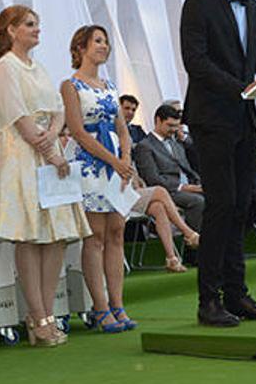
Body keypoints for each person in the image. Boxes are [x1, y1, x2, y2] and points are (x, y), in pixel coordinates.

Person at [62, 27, 201, 330]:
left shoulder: (110, 86)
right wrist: (113, 160)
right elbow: (77, 130)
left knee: (116, 233)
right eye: (97, 41)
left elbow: (123, 128)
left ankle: (118, 304)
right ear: (81, 47)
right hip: (88, 165)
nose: (103, 46)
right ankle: (100, 308)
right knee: (95, 236)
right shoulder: (71, 85)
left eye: (105, 41)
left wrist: (125, 160)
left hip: (115, 167)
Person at [179, 0, 256, 327]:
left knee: (241, 207)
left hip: (244, 121)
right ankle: (208, 300)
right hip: (211, 119)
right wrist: (237, 87)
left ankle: (237, 295)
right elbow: (196, 62)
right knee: (221, 207)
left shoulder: (255, 11)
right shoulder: (198, 4)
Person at [0, 5, 90, 346]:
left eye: (38, 24)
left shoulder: (39, 68)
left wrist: (56, 137)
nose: (36, 30)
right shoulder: (5, 67)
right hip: (22, 154)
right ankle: (37, 314)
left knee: (56, 234)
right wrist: (50, 150)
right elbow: (18, 116)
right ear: (11, 30)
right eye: (30, 24)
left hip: (49, 151)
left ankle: (47, 312)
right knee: (29, 234)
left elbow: (58, 110)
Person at [134, 103, 205, 234]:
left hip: (190, 187)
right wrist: (182, 187)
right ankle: (195, 245)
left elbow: (188, 169)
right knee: (198, 201)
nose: (173, 130)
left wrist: (198, 183)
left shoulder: (176, 143)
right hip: (168, 192)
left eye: (176, 126)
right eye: (170, 125)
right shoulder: (144, 147)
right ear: (158, 121)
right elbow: (152, 179)